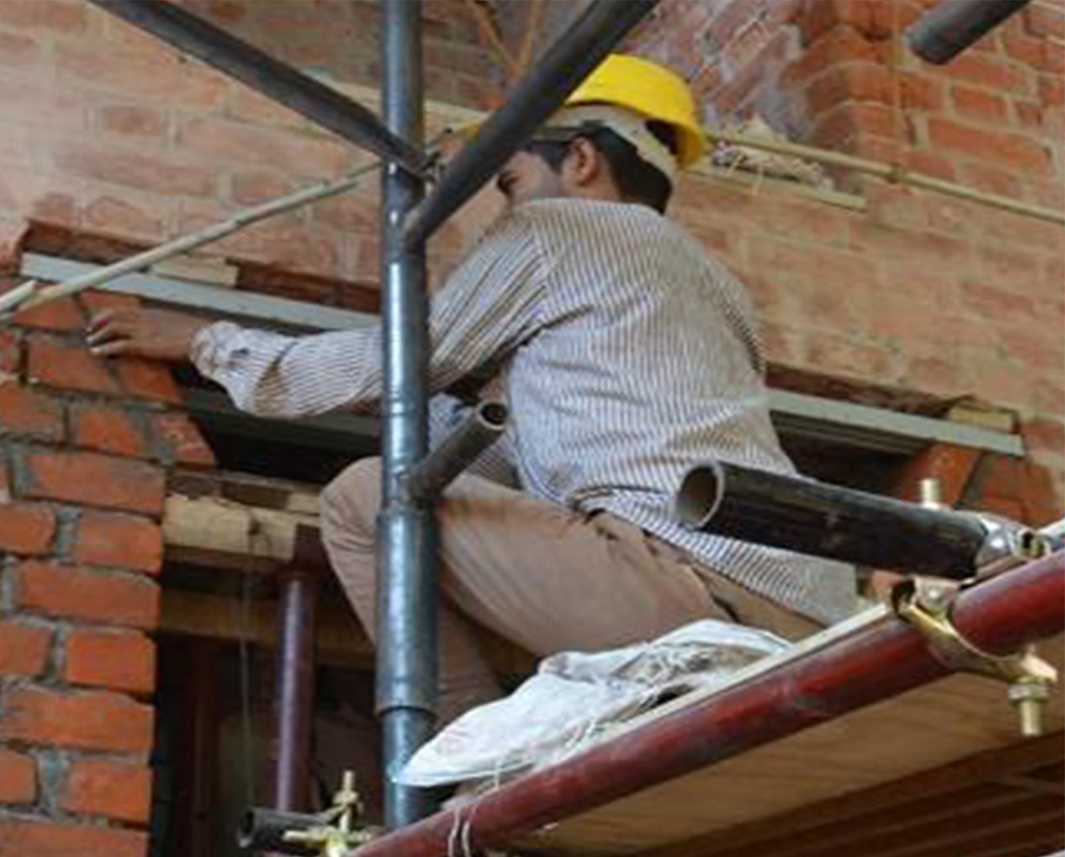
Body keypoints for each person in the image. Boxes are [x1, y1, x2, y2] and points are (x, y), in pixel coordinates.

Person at [88, 55, 856, 722]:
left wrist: (206, 342)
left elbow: (394, 364)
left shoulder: (562, 231)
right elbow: (515, 454)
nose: (507, 205)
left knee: (363, 502)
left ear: (581, 160)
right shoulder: (715, 285)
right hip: (805, 607)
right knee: (440, 480)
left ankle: (466, 750)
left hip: (685, 585)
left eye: (512, 180)